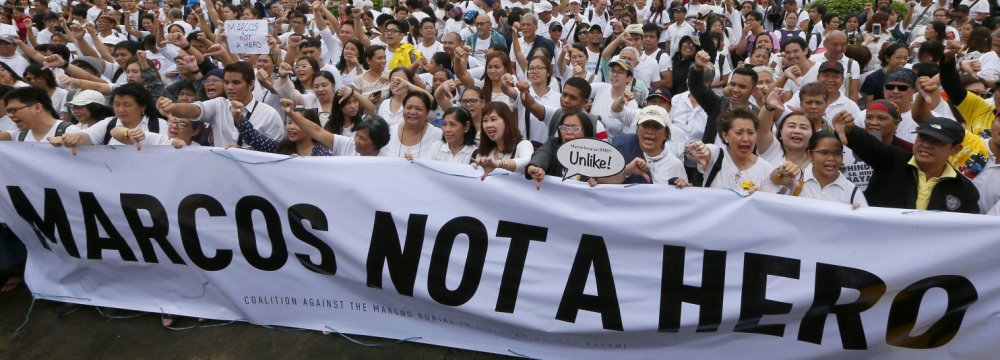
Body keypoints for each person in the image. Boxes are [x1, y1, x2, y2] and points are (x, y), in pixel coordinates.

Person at [836, 115, 980, 213]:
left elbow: (966, 235)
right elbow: (868, 144)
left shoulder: (965, 190)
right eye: (922, 137)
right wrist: (849, 130)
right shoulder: (892, 160)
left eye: (936, 141)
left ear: (955, 149)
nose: (925, 145)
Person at [156, 62, 285, 148]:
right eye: (227, 82)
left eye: (236, 82)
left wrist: (247, 154)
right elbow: (195, 109)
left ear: (251, 84)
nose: (229, 87)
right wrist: (172, 107)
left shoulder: (269, 115)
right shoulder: (218, 105)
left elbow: (276, 152)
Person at [686, 107, 789, 192]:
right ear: (725, 135)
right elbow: (701, 153)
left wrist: (760, 195)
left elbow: (769, 206)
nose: (746, 138)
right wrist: (693, 151)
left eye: (750, 133)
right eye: (739, 132)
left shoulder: (766, 169)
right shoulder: (715, 154)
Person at [49, 84, 168, 153]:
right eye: (117, 104)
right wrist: (69, 139)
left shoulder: (159, 125)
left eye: (127, 105)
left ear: (142, 107)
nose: (121, 110)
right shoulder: (108, 124)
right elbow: (86, 137)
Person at [604, 106, 688, 185]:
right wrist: (626, 171)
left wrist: (682, 186)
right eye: (645, 125)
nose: (650, 132)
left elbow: (683, 197)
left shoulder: (676, 165)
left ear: (666, 134)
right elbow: (600, 182)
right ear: (637, 129)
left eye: (656, 127)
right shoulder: (621, 150)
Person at [793, 130, 868, 206]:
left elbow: (865, 216)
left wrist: (858, 212)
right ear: (810, 154)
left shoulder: (852, 192)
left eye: (837, 153)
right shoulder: (795, 178)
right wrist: (780, 174)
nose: (831, 158)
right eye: (824, 152)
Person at [525, 111, 595, 189]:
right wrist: (535, 166)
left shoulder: (595, 153)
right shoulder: (553, 144)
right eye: (564, 128)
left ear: (586, 132)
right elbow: (543, 153)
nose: (568, 132)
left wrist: (595, 180)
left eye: (575, 129)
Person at [475, 101, 534, 179]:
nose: (488, 125)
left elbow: (528, 161)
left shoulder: (523, 144)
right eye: (485, 121)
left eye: (493, 119)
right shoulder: (485, 150)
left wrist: (499, 164)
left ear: (507, 121)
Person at [382, 91, 442, 159]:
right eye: (408, 107)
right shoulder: (389, 132)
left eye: (419, 109)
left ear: (427, 113)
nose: (413, 112)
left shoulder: (438, 135)